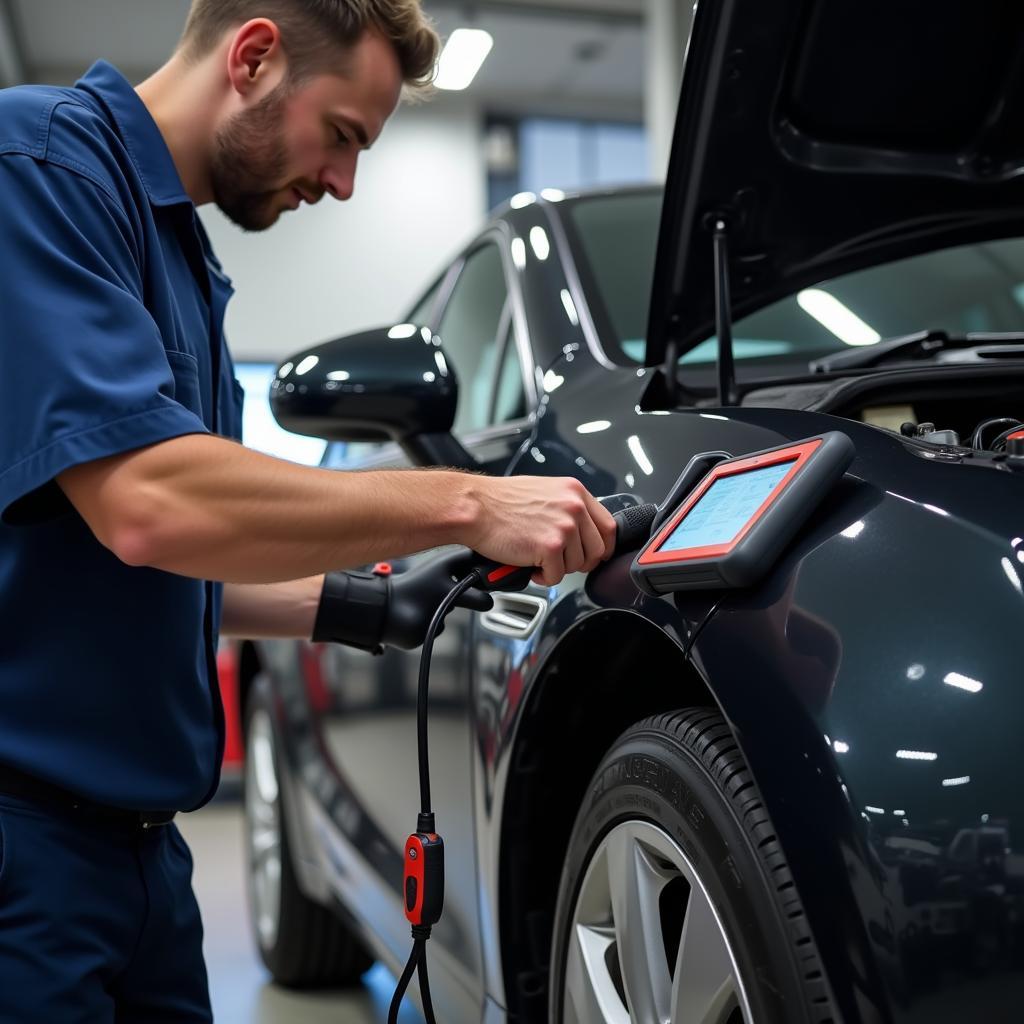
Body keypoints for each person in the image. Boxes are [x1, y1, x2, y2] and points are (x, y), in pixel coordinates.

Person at [0, 1, 616, 1019]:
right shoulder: (41, 170)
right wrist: (466, 500)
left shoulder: (188, 268)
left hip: (143, 858)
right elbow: (149, 506)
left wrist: (373, 607)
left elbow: (165, 562)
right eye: (341, 135)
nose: (342, 183)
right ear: (252, 56)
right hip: (25, 848)